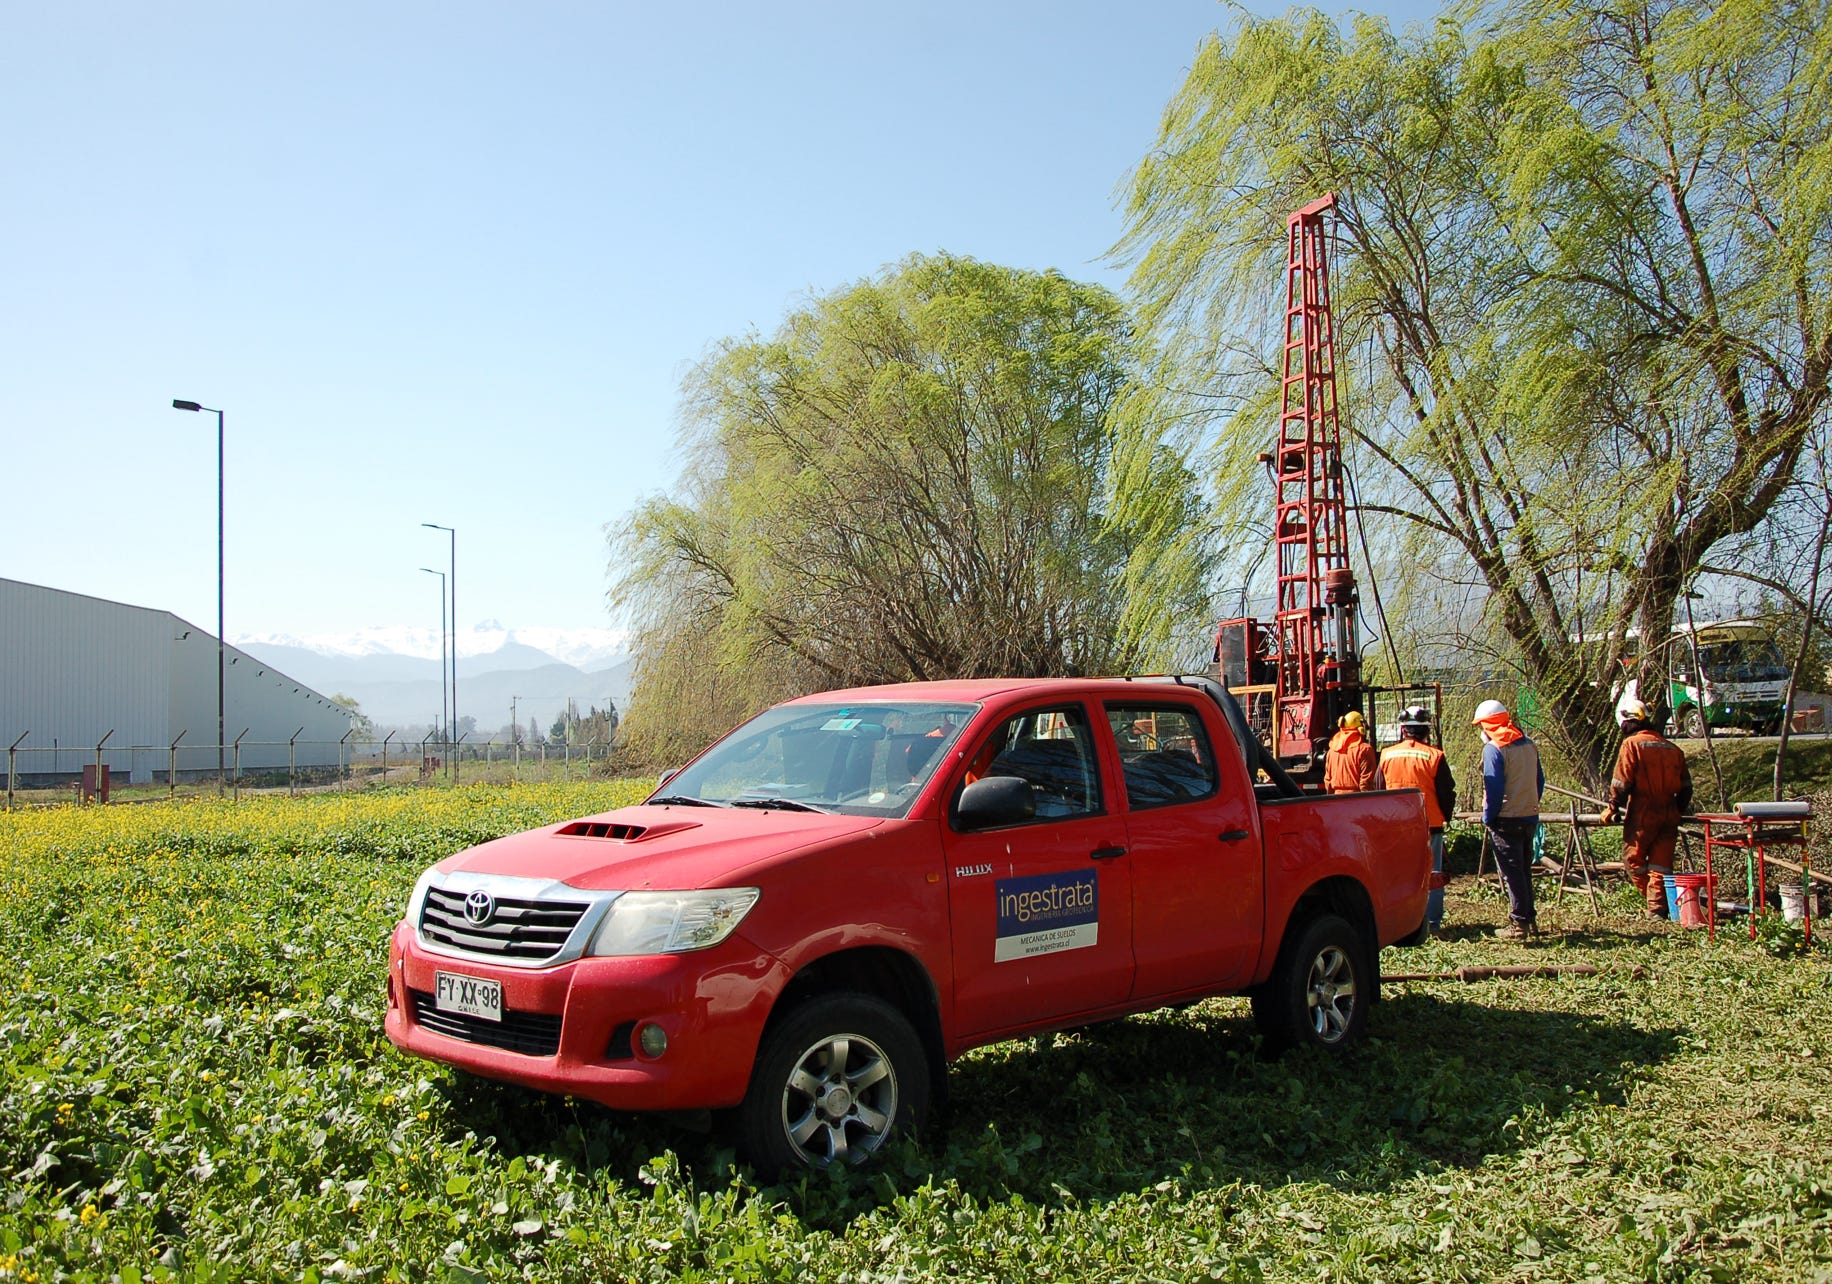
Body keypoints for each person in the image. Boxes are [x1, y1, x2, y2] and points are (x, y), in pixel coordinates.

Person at [1603, 698, 1693, 919]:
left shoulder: (1632, 745)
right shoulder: (1672, 748)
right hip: (1669, 811)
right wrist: (1676, 810)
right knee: (1660, 864)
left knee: (1633, 859)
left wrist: (1613, 806)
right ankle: (1657, 909)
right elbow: (1686, 788)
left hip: (1644, 810)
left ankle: (1654, 903)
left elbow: (1622, 781)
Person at [1374, 706, 1456, 933]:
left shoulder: (1387, 755)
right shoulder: (1435, 756)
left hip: (1396, 824)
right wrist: (1445, 817)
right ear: (1426, 731)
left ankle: (1400, 923)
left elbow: (1378, 789)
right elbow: (1447, 792)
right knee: (1433, 875)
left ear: (1403, 730)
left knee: (1399, 873)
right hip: (1430, 825)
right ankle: (1432, 924)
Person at [1473, 698, 1544, 940]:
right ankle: (1528, 918)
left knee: (1511, 873)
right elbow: (1539, 782)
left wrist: (1488, 817)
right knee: (1523, 870)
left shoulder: (1494, 749)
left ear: (1487, 725)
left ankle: (1519, 924)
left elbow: (1493, 788)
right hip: (1529, 815)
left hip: (1505, 818)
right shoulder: (1529, 744)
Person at [1324, 710, 1376, 794]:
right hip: (1356, 801)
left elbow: (1328, 781)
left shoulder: (1332, 751)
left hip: (1336, 799)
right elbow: (1366, 783)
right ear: (1361, 727)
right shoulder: (1365, 750)